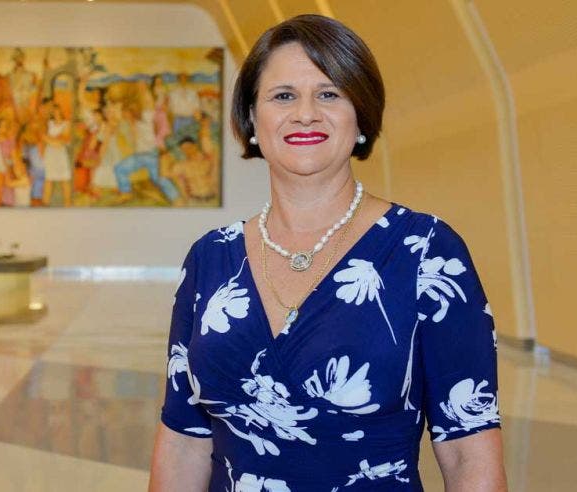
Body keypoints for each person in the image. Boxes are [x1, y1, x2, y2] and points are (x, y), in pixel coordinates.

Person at [149, 14, 506, 492]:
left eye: (329, 93)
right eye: (283, 96)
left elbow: (468, 452)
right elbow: (184, 439)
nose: (305, 114)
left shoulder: (426, 252)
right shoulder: (210, 259)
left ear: (361, 114)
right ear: (252, 119)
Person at [42, 104, 73, 206]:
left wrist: (50, 139)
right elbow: (43, 137)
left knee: (65, 179)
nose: (56, 113)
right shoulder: (49, 123)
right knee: (49, 179)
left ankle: (67, 206)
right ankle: (45, 206)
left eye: (58, 111)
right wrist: (54, 140)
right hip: (50, 155)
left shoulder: (66, 124)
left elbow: (63, 141)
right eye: (54, 111)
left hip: (60, 155)